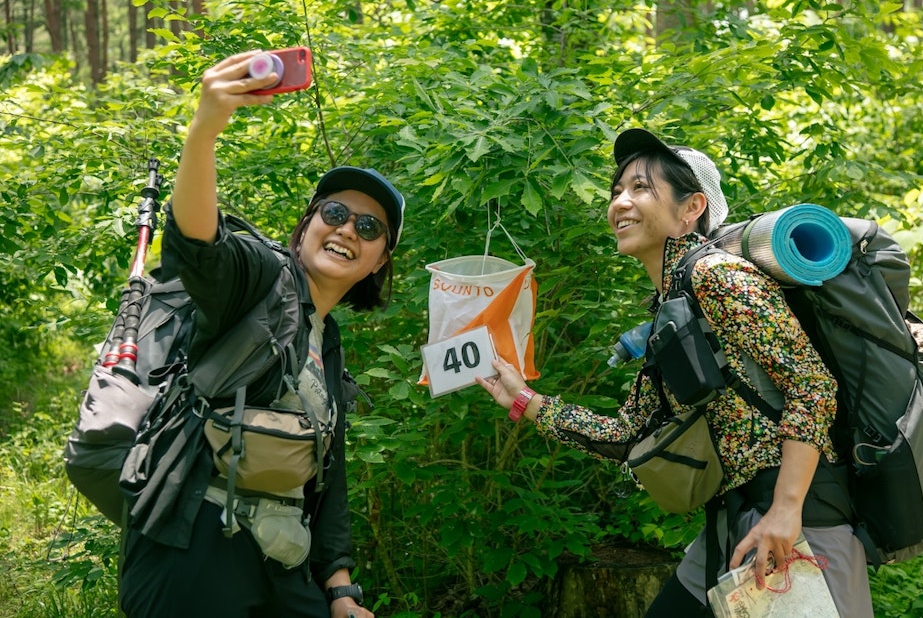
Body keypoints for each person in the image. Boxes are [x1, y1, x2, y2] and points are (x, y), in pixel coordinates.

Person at [475, 127, 873, 617]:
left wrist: (786, 511)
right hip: (735, 521)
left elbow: (812, 385)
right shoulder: (675, 303)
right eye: (617, 190)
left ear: (691, 210)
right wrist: (524, 400)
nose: (621, 201)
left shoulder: (717, 277)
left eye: (641, 188)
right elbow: (628, 434)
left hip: (798, 523)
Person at [118, 50, 403, 618]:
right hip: (194, 547)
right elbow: (199, 246)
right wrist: (204, 133)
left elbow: (327, 483)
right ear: (306, 225)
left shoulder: (330, 344)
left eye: (368, 227)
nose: (347, 228)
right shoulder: (260, 278)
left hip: (279, 560)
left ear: (378, 262)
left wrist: (341, 590)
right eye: (335, 212)